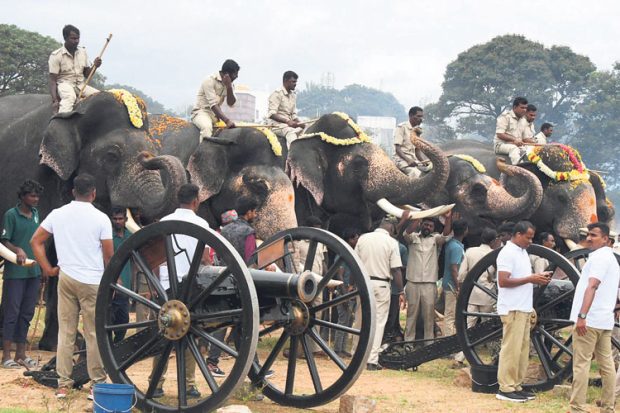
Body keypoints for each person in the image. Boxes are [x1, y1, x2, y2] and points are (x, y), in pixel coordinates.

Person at [30, 174, 112, 399]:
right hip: (93, 280)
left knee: (65, 333)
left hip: (66, 277)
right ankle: (96, 384)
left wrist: (47, 268)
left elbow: (35, 241)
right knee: (93, 333)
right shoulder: (101, 218)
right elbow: (108, 256)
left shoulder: (58, 214)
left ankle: (63, 385)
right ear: (93, 193)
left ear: (73, 192)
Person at [150, 183, 211, 399]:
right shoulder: (202, 223)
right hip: (191, 288)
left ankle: (156, 383)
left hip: (165, 285)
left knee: (161, 335)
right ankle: (189, 385)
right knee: (191, 335)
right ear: (196, 202)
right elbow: (205, 258)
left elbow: (153, 260)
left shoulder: (165, 223)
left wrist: (156, 285)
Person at [495, 221, 551, 403]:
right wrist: (530, 278)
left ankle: (516, 385)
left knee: (521, 350)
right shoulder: (507, 253)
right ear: (517, 234)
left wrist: (536, 279)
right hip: (512, 308)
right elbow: (503, 281)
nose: (530, 241)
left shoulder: (522, 252)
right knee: (511, 349)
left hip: (524, 308)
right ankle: (505, 388)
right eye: (528, 237)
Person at [569, 223, 619, 413]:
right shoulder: (611, 259)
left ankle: (577, 408)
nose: (589, 238)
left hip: (589, 321)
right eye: (588, 234)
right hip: (604, 320)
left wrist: (582, 316)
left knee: (581, 364)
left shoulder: (599, 258)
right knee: (606, 365)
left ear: (606, 239)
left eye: (594, 235)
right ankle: (608, 407)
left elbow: (593, 286)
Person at [1, 180, 44, 369]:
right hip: (15, 273)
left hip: (33, 271)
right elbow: (4, 241)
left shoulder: (36, 215)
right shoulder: (11, 215)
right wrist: (17, 249)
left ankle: (21, 354)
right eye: (32, 196)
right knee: (12, 313)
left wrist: (42, 266)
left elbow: (38, 242)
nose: (35, 199)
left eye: (37, 196)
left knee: (27, 313)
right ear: (22, 197)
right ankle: (6, 356)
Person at [354, 218, 404, 370]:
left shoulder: (363, 238)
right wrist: (401, 290)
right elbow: (395, 269)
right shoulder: (391, 243)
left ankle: (356, 357)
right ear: (391, 228)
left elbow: (354, 262)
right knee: (378, 322)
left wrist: (353, 284)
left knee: (360, 320)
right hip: (381, 284)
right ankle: (371, 360)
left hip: (363, 283)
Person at [403, 212, 453, 343]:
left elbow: (446, 235)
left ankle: (428, 343)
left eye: (430, 226)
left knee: (429, 315)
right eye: (425, 224)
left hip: (429, 284)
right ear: (421, 224)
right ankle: (408, 342)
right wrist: (417, 218)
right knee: (411, 314)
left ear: (433, 228)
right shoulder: (413, 237)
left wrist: (448, 219)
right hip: (412, 282)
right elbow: (406, 233)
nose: (428, 227)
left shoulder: (435, 239)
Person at [454, 228, 501, 364]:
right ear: (493, 241)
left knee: (468, 327)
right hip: (488, 294)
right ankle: (495, 357)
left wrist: (461, 291)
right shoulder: (495, 254)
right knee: (489, 328)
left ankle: (460, 357)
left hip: (471, 294)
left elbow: (462, 275)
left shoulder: (470, 252)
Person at [48, 25, 101, 114]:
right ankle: (61, 123)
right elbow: (52, 80)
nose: (76, 41)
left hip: (81, 85)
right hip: (65, 84)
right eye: (73, 38)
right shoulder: (56, 55)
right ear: (65, 38)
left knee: (100, 96)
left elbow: (87, 75)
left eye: (78, 38)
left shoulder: (83, 52)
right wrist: (55, 100)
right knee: (69, 98)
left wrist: (95, 66)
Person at [191, 59, 239, 142]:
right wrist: (227, 121)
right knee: (207, 127)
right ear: (227, 74)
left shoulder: (229, 84)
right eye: (235, 74)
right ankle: (203, 154)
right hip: (201, 113)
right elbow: (213, 105)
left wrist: (229, 87)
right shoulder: (209, 81)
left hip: (215, 117)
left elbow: (231, 103)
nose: (236, 76)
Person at [333, 227, 360, 358]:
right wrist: (344, 295)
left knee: (348, 320)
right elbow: (340, 275)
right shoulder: (342, 254)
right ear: (350, 239)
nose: (357, 240)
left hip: (351, 290)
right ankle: (337, 349)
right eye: (355, 238)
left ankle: (342, 348)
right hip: (343, 291)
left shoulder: (353, 253)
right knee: (343, 320)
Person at [442, 219, 468, 338]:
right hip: (452, 286)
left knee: (451, 314)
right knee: (451, 315)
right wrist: (458, 286)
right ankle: (448, 343)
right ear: (465, 231)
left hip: (448, 283)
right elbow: (454, 268)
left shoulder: (450, 244)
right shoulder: (457, 248)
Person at [109, 207, 132, 343]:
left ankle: (117, 344)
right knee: (109, 317)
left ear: (125, 220)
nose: (117, 222)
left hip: (126, 284)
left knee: (123, 319)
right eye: (115, 219)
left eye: (120, 219)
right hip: (112, 285)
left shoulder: (131, 237)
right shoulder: (108, 237)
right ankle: (109, 346)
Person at [267, 71, 305, 148]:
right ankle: (293, 157)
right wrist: (288, 121)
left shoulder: (293, 96)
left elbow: (293, 114)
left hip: (288, 125)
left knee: (306, 129)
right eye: (293, 82)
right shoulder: (277, 94)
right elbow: (271, 114)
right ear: (285, 81)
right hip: (277, 126)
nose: (295, 84)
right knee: (290, 132)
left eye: (296, 82)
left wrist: (300, 123)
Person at [494, 97, 535, 165]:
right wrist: (515, 139)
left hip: (518, 146)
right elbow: (500, 134)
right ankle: (520, 170)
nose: (524, 110)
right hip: (501, 145)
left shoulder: (523, 120)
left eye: (525, 108)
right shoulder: (505, 116)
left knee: (532, 151)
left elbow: (525, 139)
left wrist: (537, 144)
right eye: (522, 108)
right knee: (513, 149)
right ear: (515, 107)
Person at [393, 106, 431, 177]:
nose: (421, 119)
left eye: (422, 117)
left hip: (414, 161)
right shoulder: (401, 127)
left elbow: (417, 151)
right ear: (411, 116)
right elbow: (397, 148)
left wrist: (423, 162)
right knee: (416, 175)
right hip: (402, 161)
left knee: (430, 172)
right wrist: (408, 160)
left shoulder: (417, 130)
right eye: (418, 116)